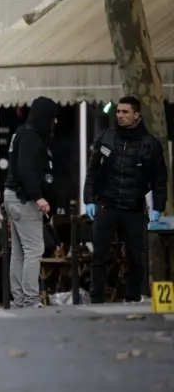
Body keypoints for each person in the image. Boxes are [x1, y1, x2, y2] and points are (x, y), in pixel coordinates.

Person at [83, 96, 167, 304]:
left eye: (125, 112)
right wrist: (89, 199)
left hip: (133, 208)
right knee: (99, 255)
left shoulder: (150, 144)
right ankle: (97, 298)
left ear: (136, 115)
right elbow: (92, 171)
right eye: (118, 111)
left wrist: (158, 206)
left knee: (135, 258)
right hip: (107, 204)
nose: (120, 115)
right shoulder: (106, 137)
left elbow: (159, 179)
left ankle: (132, 297)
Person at [3, 96, 59, 309]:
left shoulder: (21, 132)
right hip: (24, 198)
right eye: (53, 117)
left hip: (12, 195)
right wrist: (39, 196)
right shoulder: (32, 136)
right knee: (34, 250)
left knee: (19, 252)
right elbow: (26, 168)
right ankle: (31, 299)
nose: (55, 122)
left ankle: (19, 300)